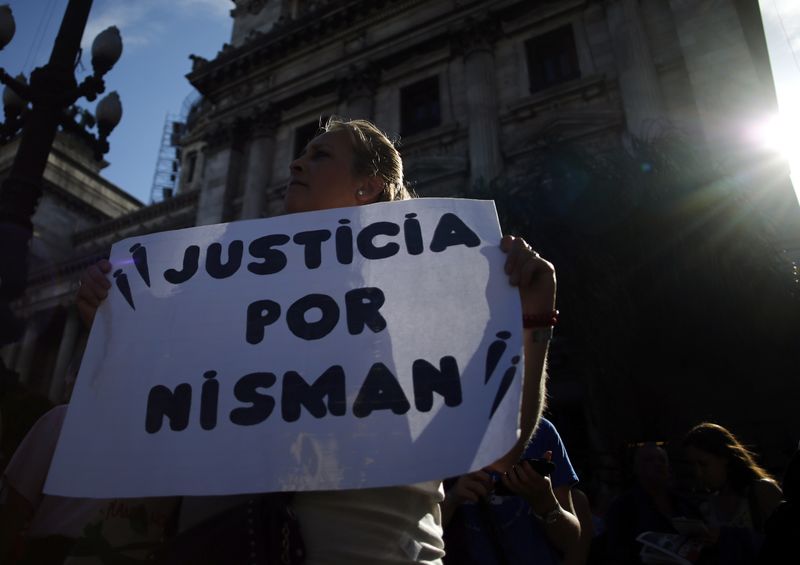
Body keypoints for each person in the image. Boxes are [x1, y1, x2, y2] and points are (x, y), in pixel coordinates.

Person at [74, 117, 558, 564]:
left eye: (321, 155)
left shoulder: (429, 298)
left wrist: (534, 317)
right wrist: (115, 327)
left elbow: (496, 450)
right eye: (302, 153)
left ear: (369, 187)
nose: (295, 162)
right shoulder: (222, 297)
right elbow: (153, 415)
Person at [440, 417, 581, 565]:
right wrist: (452, 498)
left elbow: (571, 540)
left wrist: (545, 502)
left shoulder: (540, 430)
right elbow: (416, 535)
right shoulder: (434, 440)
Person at [683, 422, 782, 564]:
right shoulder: (706, 506)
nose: (698, 473)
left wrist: (725, 538)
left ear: (724, 458)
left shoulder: (762, 491)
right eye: (692, 465)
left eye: (703, 464)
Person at [601, 442, 703, 564]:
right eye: (649, 460)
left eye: (662, 460)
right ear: (636, 468)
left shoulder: (686, 505)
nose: (657, 464)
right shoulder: (622, 507)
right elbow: (616, 551)